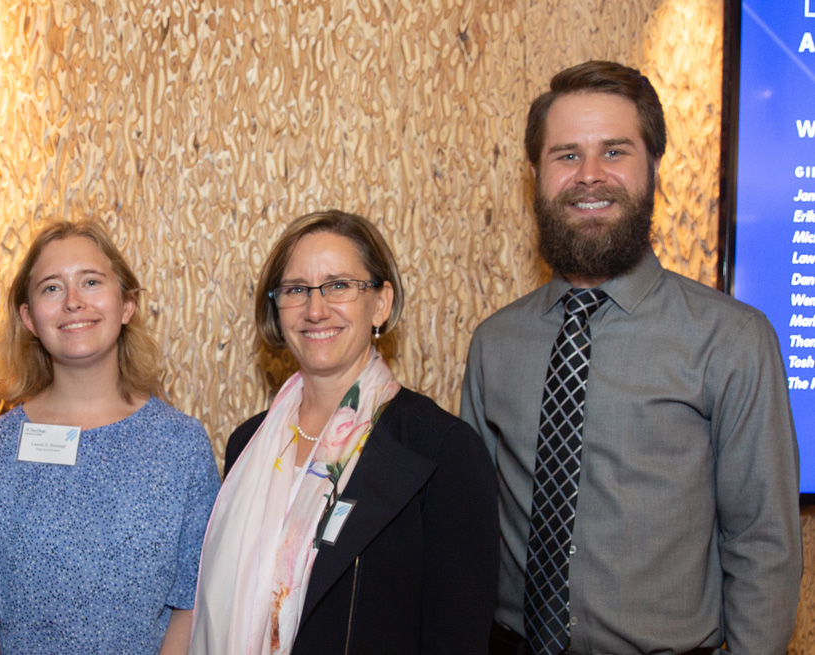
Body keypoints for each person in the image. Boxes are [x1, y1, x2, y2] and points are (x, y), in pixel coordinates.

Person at [460, 60, 801, 655]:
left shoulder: (733, 340)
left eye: (614, 152)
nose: (590, 176)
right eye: (567, 156)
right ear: (536, 175)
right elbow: (468, 533)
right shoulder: (495, 344)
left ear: (653, 168)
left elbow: (763, 544)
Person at [191, 210, 499, 655]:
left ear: (381, 302)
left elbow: (457, 639)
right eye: (296, 290)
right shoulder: (248, 444)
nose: (316, 310)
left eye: (338, 286)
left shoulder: (440, 450)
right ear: (277, 309)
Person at [0, 221, 220, 655]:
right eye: (52, 289)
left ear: (127, 304)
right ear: (29, 318)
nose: (74, 303)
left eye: (91, 282)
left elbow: (191, 606)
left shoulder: (182, 446)